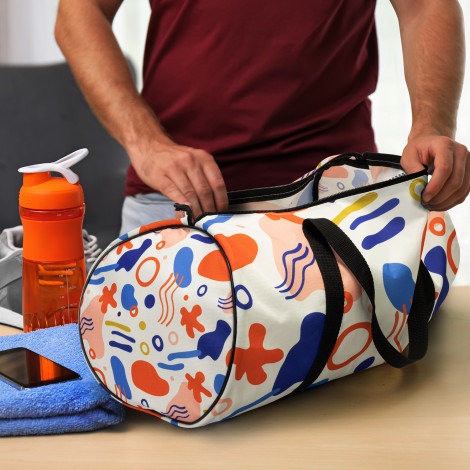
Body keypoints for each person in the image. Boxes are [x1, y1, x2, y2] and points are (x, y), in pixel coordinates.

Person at [55, 0, 469, 234]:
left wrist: (431, 126)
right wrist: (146, 144)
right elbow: (79, 11)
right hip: (175, 197)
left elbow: (424, 6)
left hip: (334, 199)